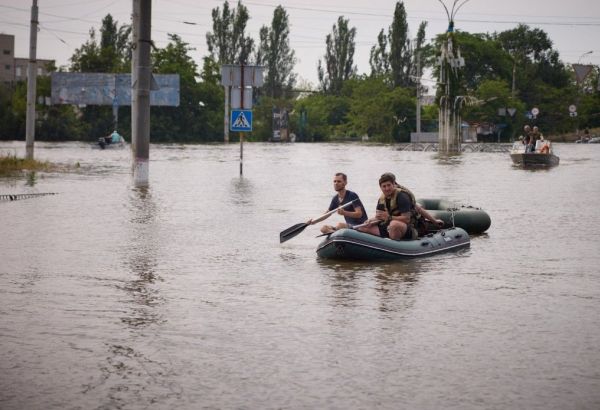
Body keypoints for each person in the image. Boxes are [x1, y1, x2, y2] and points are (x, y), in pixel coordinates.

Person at [359, 173, 444, 240]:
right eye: (384, 186)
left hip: (409, 227)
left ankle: (393, 246)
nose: (387, 188)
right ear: (380, 187)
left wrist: (434, 221)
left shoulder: (402, 196)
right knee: (364, 227)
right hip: (389, 226)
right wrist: (370, 221)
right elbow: (379, 217)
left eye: (389, 185)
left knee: (394, 225)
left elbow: (407, 218)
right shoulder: (382, 199)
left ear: (394, 184)